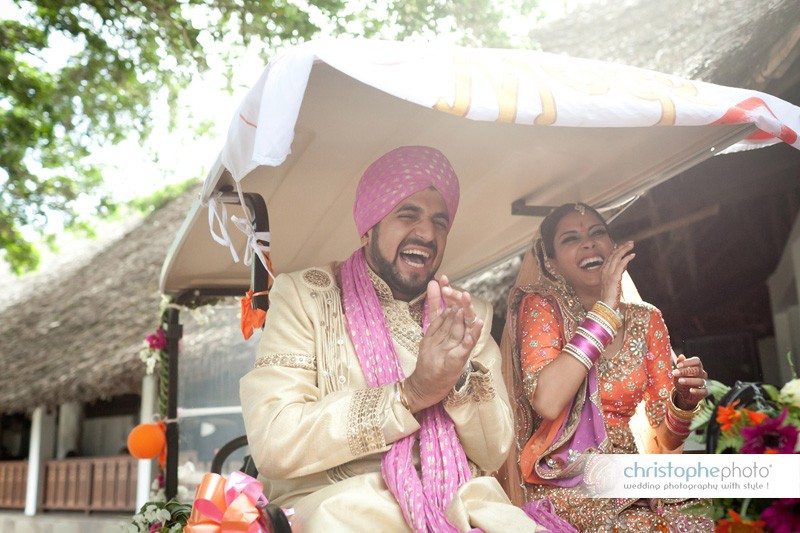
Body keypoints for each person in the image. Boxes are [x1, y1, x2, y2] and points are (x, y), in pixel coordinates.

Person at [240, 146, 542, 532]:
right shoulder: (305, 297)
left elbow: (495, 450)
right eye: (408, 214)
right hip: (340, 506)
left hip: (460, 504)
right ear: (368, 227)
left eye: (440, 221)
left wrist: (460, 377)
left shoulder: (466, 314)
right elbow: (274, 441)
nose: (428, 234)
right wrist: (410, 394)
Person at [499, 203, 713, 532]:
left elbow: (665, 441)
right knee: (634, 525)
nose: (588, 243)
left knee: (695, 514)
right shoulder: (542, 308)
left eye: (597, 232)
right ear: (552, 263)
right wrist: (605, 312)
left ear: (612, 245)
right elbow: (547, 401)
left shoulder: (646, 319)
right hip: (567, 474)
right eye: (570, 239)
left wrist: (683, 402)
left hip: (635, 467)